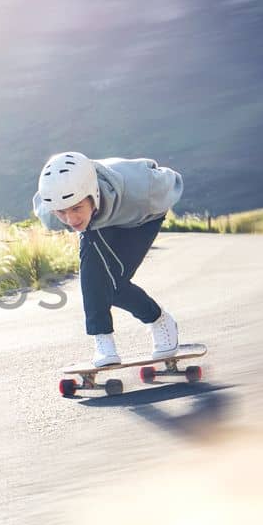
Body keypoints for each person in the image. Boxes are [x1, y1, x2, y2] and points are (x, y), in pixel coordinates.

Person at [32, 151, 185, 367]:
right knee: (101, 281)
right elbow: (69, 214)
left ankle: (161, 321)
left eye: (76, 208)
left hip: (140, 218)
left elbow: (174, 182)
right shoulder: (51, 212)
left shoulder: (143, 189)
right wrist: (74, 213)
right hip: (98, 221)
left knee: (115, 284)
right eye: (62, 212)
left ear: (92, 195)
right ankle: (103, 341)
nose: (70, 219)